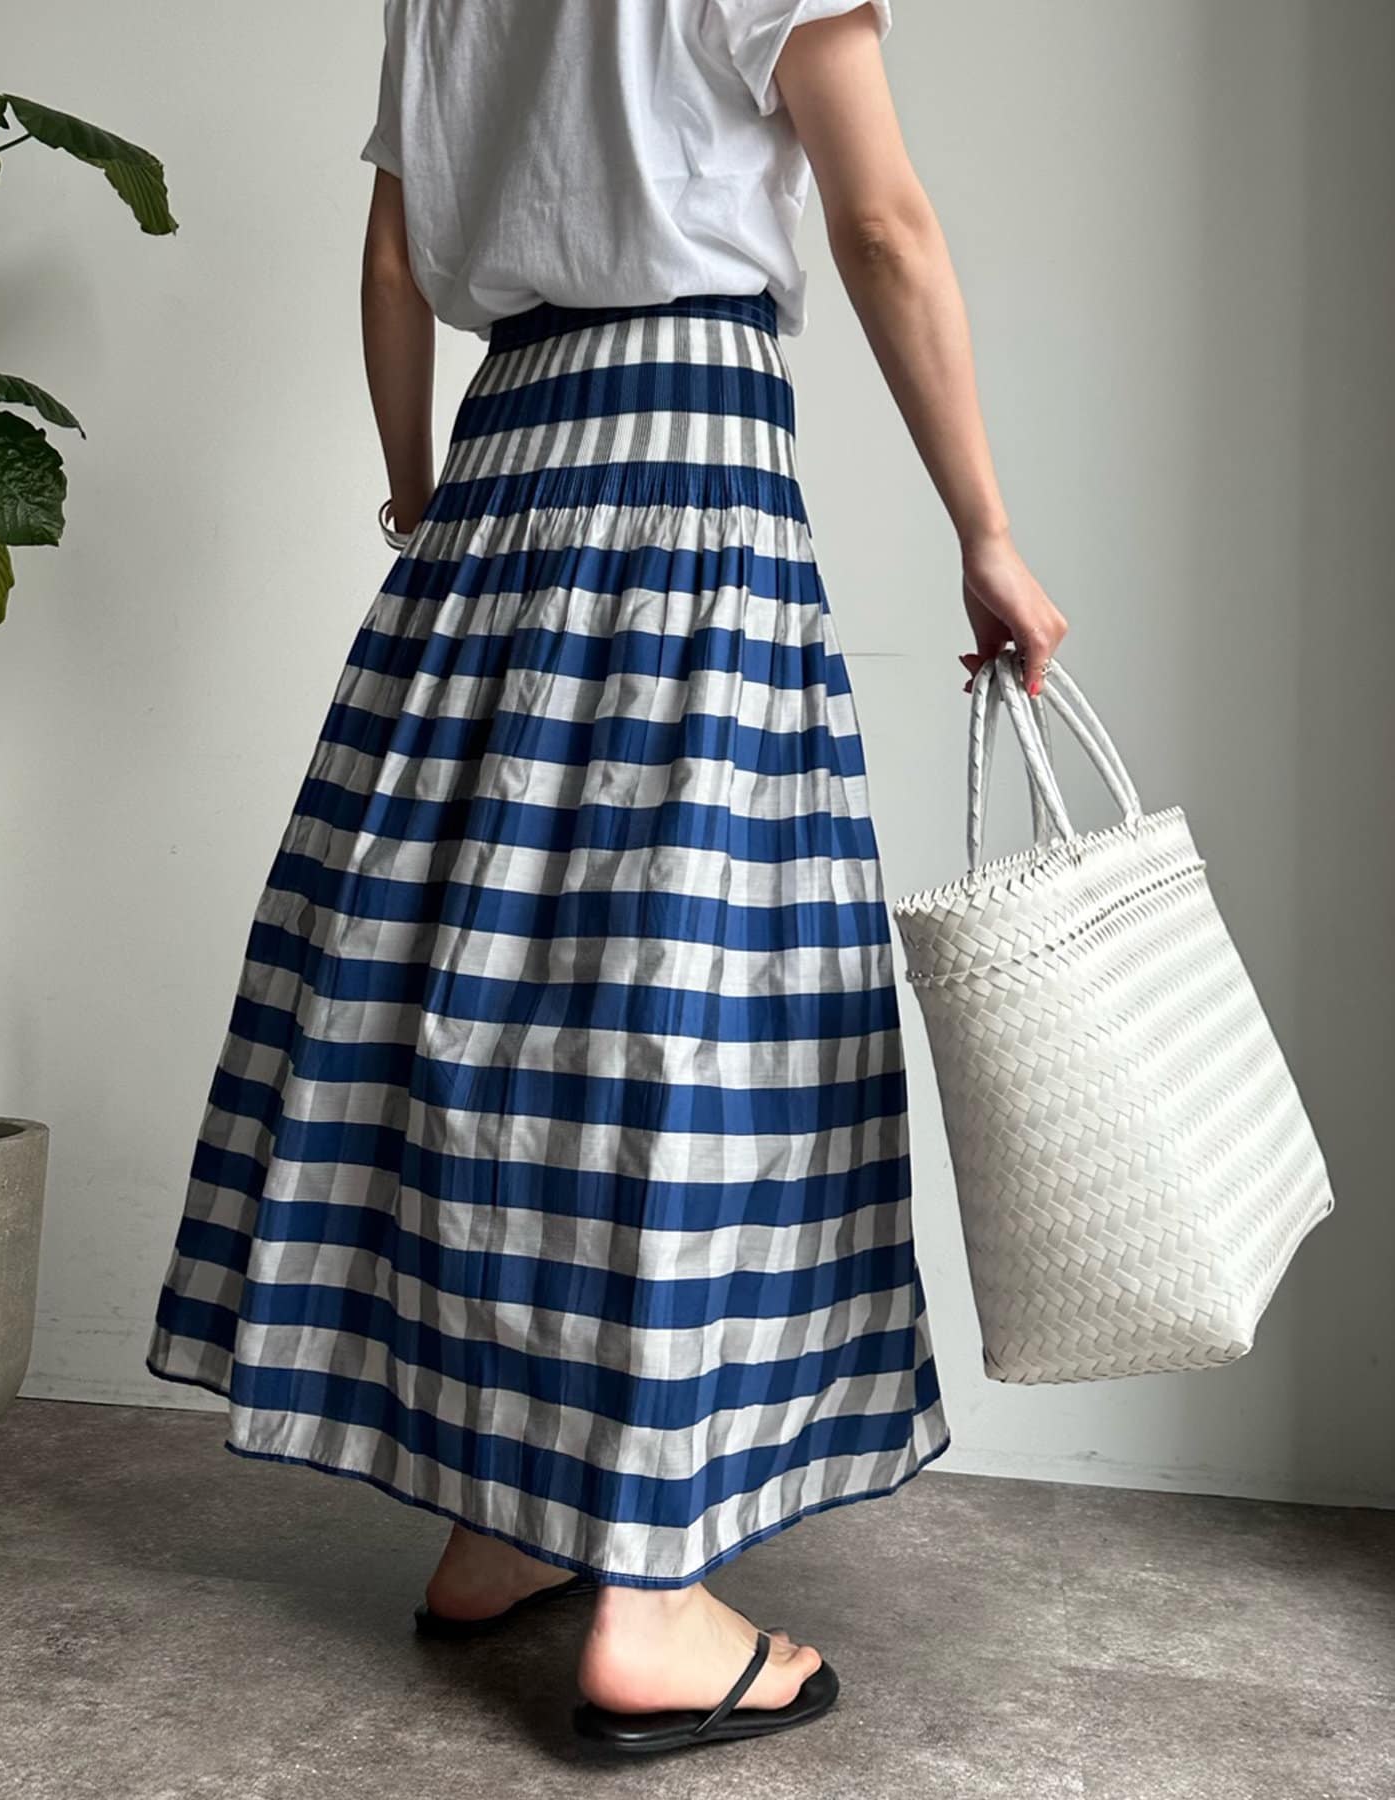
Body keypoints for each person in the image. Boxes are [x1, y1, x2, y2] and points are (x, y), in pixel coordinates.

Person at [147, 0, 1068, 1756]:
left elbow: (394, 259)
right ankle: (649, 1602)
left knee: (481, 989)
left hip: (501, 468)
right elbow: (882, 222)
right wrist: (987, 532)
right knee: (685, 1009)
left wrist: (417, 489)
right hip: (686, 463)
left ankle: (500, 1522)